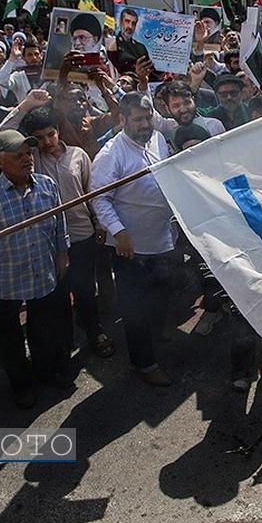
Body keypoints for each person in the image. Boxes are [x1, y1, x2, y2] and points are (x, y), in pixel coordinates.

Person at [0, 92, 115, 358]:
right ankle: (64, 343)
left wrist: (99, 225)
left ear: (58, 131)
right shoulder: (31, 159)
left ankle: (94, 332)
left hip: (81, 234)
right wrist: (25, 106)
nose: (46, 142)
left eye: (50, 134)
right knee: (56, 295)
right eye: (39, 138)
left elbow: (91, 193)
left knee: (85, 290)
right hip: (46, 240)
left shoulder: (78, 156)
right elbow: (2, 135)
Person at [0, 130, 72, 408]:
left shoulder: (47, 185)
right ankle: (21, 384)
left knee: (45, 328)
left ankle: (46, 372)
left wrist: (63, 253)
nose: (27, 159)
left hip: (43, 271)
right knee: (8, 337)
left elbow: (59, 222)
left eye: (28, 154)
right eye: (18, 156)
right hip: (5, 278)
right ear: (0, 162)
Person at [91, 92, 179, 386]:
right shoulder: (110, 155)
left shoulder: (157, 139)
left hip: (162, 238)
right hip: (130, 247)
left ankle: (156, 336)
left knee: (161, 292)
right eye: (138, 119)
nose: (145, 125)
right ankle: (145, 364)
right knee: (135, 308)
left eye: (148, 118)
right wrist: (119, 233)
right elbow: (100, 199)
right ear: (123, 119)